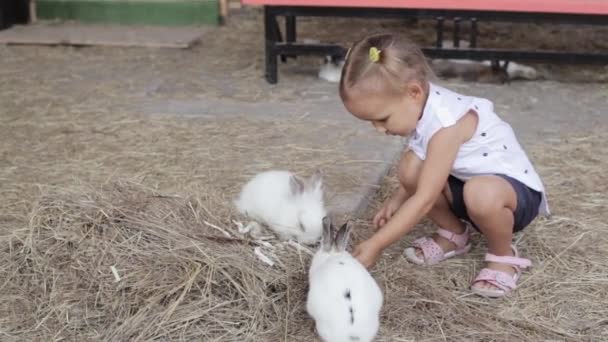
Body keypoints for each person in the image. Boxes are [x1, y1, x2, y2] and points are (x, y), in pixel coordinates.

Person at [338, 33, 549, 297]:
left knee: (480, 193)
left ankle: (502, 256)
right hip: (468, 186)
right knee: (409, 167)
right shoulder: (420, 105)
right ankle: (454, 234)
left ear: (413, 92)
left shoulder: (447, 123)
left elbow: (425, 198)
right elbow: (425, 163)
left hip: (512, 196)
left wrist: (376, 244)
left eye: (382, 119)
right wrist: (398, 197)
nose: (379, 130)